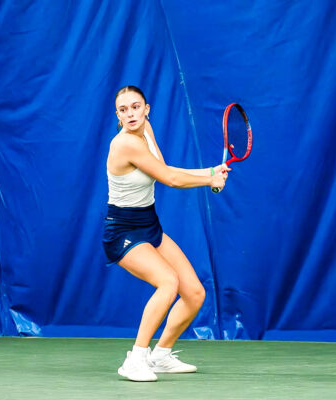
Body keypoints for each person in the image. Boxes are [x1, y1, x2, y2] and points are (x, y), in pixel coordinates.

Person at [103, 86, 229, 382]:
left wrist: (210, 171)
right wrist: (208, 179)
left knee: (195, 293)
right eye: (124, 110)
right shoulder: (124, 144)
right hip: (122, 230)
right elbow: (170, 180)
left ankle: (161, 355)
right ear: (118, 116)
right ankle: (135, 359)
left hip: (149, 225)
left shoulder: (145, 129)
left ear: (147, 109)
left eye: (136, 107)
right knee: (168, 282)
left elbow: (163, 168)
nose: (131, 114)